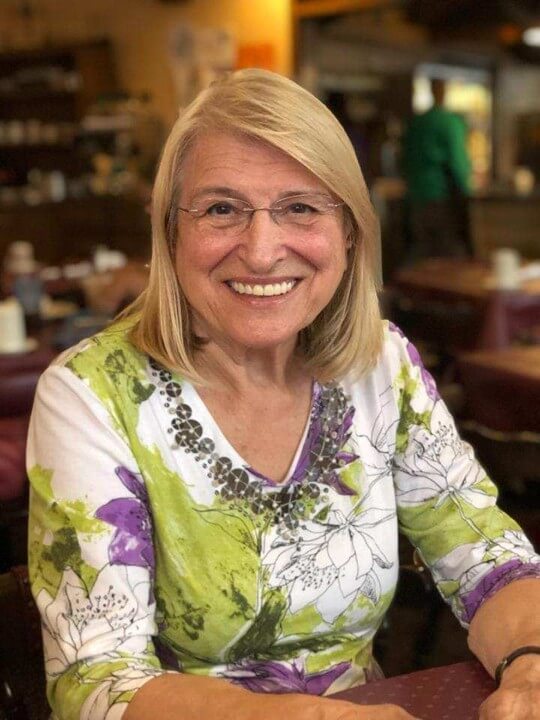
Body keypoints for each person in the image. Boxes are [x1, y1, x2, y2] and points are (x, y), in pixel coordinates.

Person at [27, 69, 540, 720]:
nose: (263, 251)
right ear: (170, 232)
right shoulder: (89, 394)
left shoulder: (380, 363)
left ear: (349, 231)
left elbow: (485, 554)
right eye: (221, 209)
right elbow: (98, 678)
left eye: (300, 207)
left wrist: (531, 664)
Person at [402, 78, 472, 262]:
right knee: (446, 253)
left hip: (416, 196)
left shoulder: (417, 122)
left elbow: (405, 159)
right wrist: (466, 191)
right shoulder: (450, 122)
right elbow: (457, 161)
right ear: (443, 92)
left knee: (422, 252)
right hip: (442, 196)